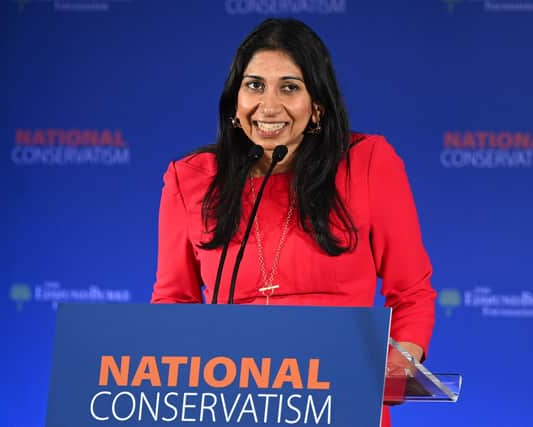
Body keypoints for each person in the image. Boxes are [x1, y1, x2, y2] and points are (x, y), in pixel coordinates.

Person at [151, 18, 436, 426]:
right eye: (254, 86)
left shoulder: (368, 164)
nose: (268, 106)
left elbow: (411, 292)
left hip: (341, 403)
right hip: (232, 405)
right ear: (235, 100)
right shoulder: (191, 179)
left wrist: (398, 364)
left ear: (317, 104)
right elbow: (174, 304)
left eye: (289, 87)